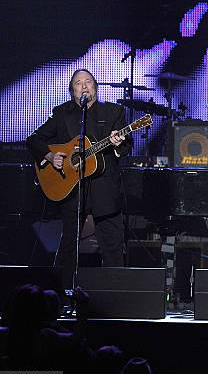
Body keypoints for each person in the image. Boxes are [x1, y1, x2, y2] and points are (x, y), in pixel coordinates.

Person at [26, 69, 132, 290]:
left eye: (88, 82)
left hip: (105, 189)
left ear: (95, 87)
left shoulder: (114, 112)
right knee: (68, 246)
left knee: (112, 246)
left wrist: (118, 143)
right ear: (71, 90)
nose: (83, 86)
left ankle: (115, 296)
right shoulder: (62, 114)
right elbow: (34, 140)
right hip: (72, 189)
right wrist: (50, 155)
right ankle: (63, 295)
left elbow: (126, 146)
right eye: (78, 83)